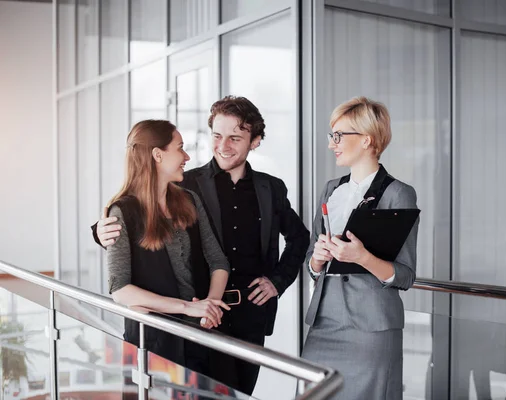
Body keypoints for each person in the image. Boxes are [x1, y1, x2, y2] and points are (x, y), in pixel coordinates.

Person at [95, 96, 310, 395]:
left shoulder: (270, 187)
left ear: (255, 141)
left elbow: (299, 237)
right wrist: (100, 231)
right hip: (196, 318)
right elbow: (138, 210)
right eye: (217, 136)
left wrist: (277, 281)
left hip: (249, 316)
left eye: (235, 138)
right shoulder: (186, 183)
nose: (223, 146)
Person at [301, 96, 419, 400]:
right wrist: (316, 261)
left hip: (371, 328)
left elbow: (405, 276)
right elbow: (312, 261)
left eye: (339, 136)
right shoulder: (331, 189)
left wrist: (363, 258)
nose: (332, 144)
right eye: (332, 135)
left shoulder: (398, 194)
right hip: (323, 322)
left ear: (367, 139)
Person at [102, 119, 231, 374]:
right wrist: (187, 307)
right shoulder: (121, 211)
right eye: (180, 148)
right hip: (151, 342)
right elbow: (120, 290)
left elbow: (218, 261)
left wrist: (210, 307)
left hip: (199, 336)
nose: (186, 156)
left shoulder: (189, 200)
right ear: (157, 155)